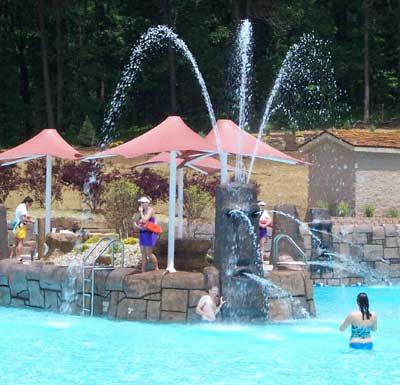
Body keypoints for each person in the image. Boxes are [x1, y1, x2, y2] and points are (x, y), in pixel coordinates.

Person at [133, 196, 159, 272]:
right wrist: (135, 224)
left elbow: (145, 220)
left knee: (149, 253)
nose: (140, 204)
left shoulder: (150, 210)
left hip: (150, 234)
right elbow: (137, 222)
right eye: (140, 203)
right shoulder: (142, 212)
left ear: (147, 203)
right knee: (143, 253)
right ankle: (143, 270)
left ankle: (156, 268)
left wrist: (140, 212)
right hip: (143, 234)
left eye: (142, 203)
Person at [10, 196, 35, 263]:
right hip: (21, 226)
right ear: (27, 202)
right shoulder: (23, 207)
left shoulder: (20, 206)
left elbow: (23, 216)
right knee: (20, 242)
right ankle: (19, 257)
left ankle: (11, 256)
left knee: (15, 242)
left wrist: (28, 217)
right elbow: (23, 219)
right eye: (30, 204)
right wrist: (31, 221)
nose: (30, 206)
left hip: (16, 226)